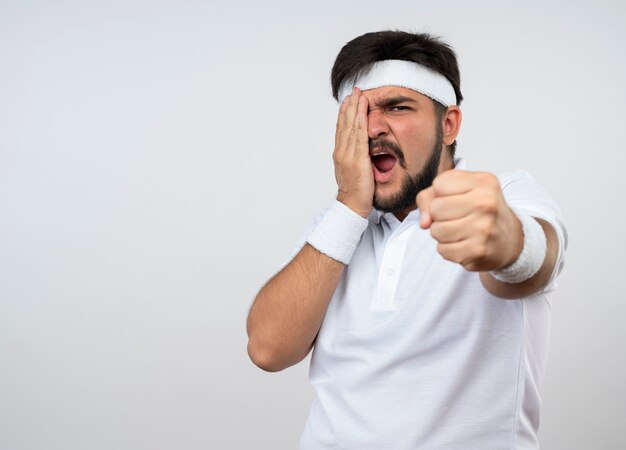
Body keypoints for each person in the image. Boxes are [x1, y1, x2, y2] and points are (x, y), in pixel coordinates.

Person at [246, 30, 567, 449]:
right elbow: (268, 350)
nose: (374, 127)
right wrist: (348, 207)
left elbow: (531, 259)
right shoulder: (336, 227)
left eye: (397, 107)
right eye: (358, 113)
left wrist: (507, 243)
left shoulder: (506, 196)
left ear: (448, 124)